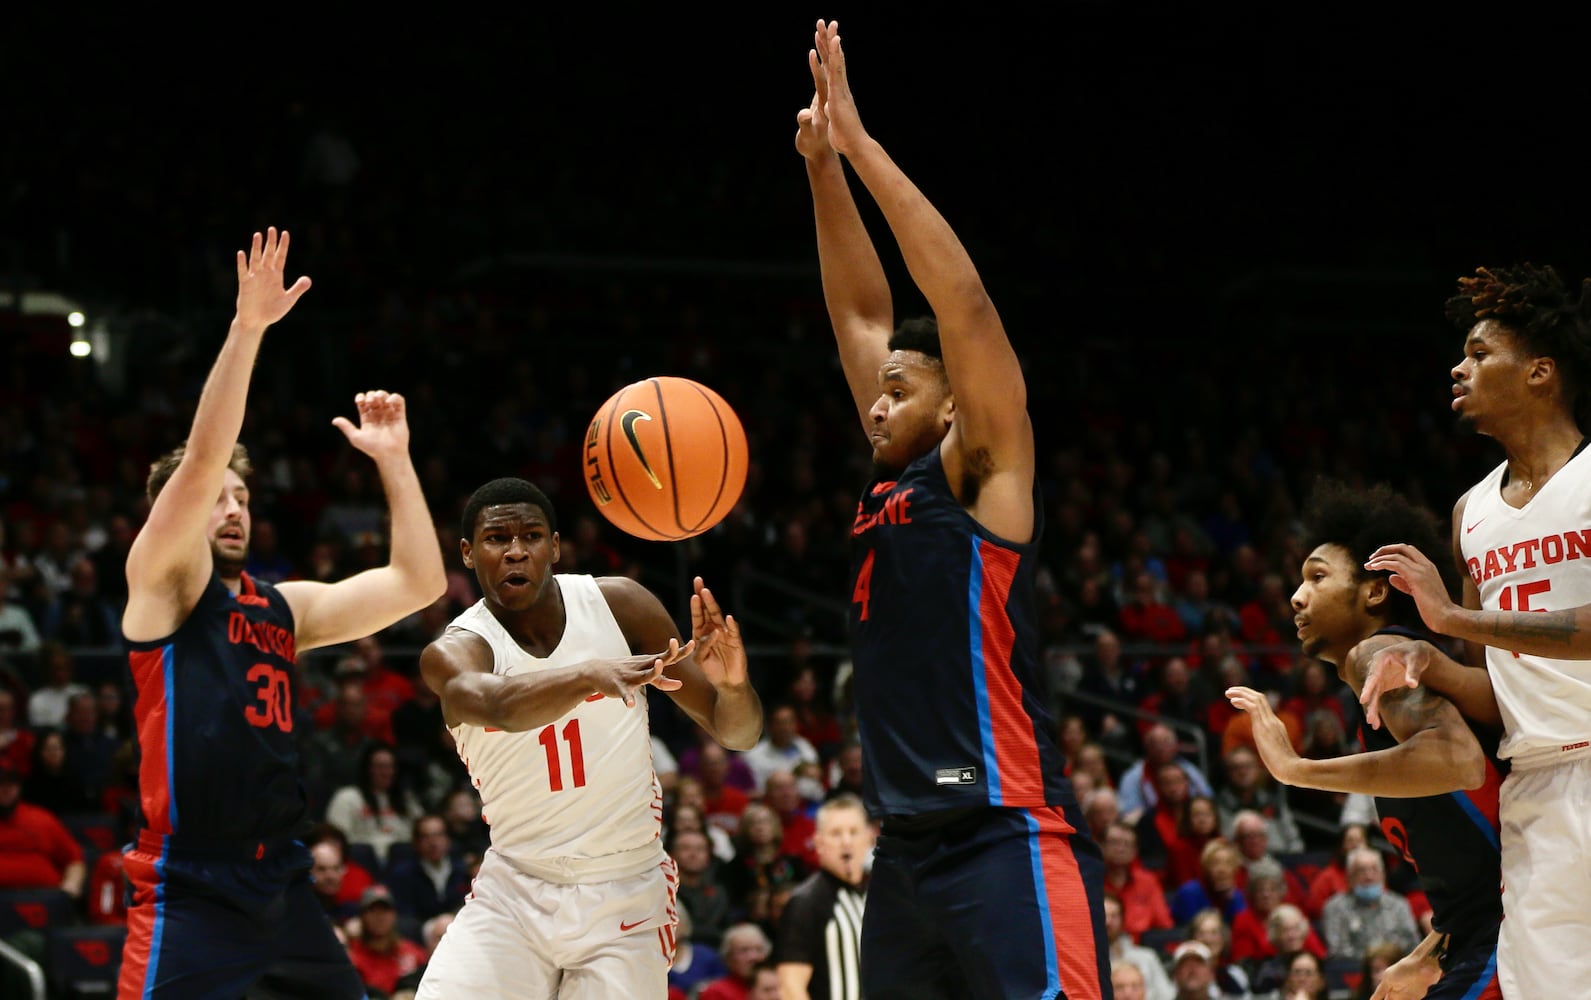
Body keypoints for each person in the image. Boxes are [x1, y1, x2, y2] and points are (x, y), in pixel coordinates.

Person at [797, 19, 1107, 999]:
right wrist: (818, 170)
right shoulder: (889, 475)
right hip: (904, 851)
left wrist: (861, 146)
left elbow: (964, 303)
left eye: (898, 385)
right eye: (876, 390)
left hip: (1004, 831)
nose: (877, 402)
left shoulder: (982, 471)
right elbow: (855, 314)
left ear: (951, 398)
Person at [116, 227, 448, 999]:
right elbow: (202, 460)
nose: (232, 508)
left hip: (282, 883)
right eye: (217, 499)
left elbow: (417, 583)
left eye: (244, 497)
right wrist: (248, 328)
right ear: (177, 512)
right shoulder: (161, 585)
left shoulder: (282, 607)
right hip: (190, 885)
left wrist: (394, 461)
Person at [413, 477, 763, 998]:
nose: (515, 552)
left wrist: (733, 686)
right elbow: (499, 705)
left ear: (554, 546)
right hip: (515, 886)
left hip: (625, 890)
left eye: (531, 536)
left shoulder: (620, 605)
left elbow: (738, 733)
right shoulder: (456, 650)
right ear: (467, 552)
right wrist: (587, 676)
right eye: (496, 539)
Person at [1357, 263, 1591, 1000]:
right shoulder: (1469, 515)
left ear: (1539, 373)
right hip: (1538, 785)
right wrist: (1423, 658)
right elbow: (1496, 689)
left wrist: (1452, 618)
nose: (1459, 367)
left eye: (1481, 353)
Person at [1229, 479, 1504, 996]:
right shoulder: (1391, 673)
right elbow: (1474, 855)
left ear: (1374, 591)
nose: (1296, 596)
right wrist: (1429, 954)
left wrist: (1297, 770)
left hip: (1506, 937)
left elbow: (1456, 762)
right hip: (1477, 938)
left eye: (1317, 577)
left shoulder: (1376, 655)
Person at [776, 793, 873, 1000]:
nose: (846, 842)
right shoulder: (806, 902)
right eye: (836, 833)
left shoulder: (878, 895)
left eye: (854, 832)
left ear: (869, 838)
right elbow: (790, 987)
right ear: (819, 843)